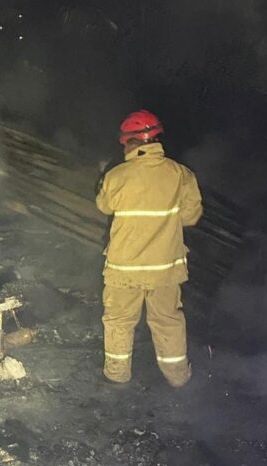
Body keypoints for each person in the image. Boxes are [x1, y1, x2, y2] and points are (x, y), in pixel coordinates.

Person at [95, 110, 203, 388]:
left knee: (119, 320)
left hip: (124, 268)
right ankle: (177, 378)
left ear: (131, 142)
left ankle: (117, 376)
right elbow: (191, 217)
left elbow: (104, 206)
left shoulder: (117, 175)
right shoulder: (181, 175)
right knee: (168, 320)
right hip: (165, 267)